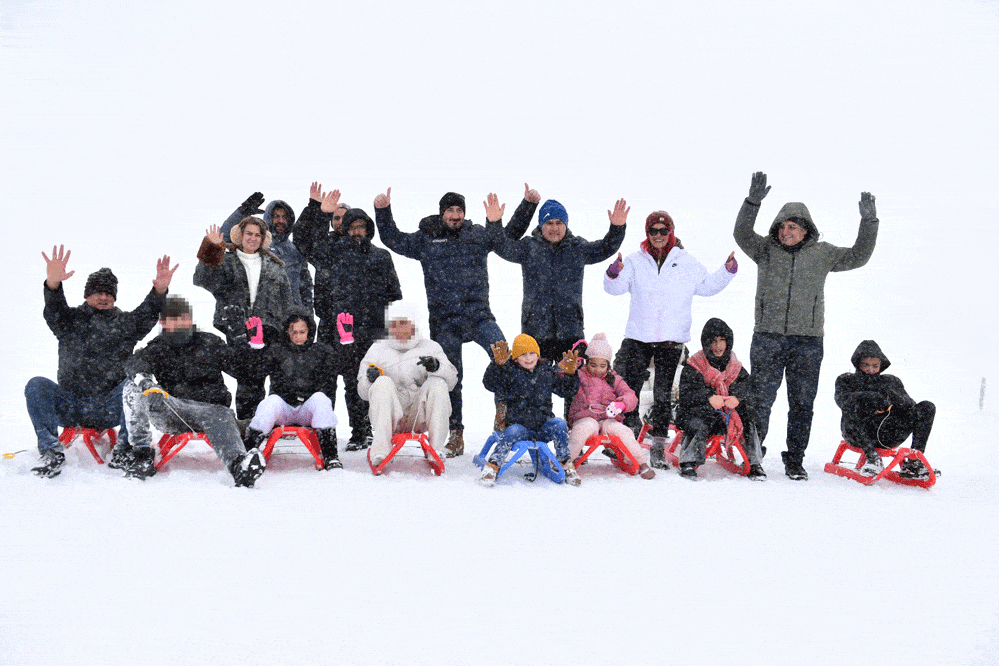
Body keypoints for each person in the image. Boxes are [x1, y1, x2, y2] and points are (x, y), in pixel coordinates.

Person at [373, 185, 538, 457]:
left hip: (479, 315)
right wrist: (383, 211)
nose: (455, 214)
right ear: (442, 214)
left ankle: (504, 411)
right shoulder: (427, 239)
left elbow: (505, 238)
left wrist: (526, 206)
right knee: (449, 376)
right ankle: (456, 433)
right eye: (450, 210)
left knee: (503, 354)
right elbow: (393, 238)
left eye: (459, 209)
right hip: (445, 319)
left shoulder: (476, 235)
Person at [734, 171, 879, 480]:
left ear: (805, 230)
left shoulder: (822, 254)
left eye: (793, 226)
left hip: (808, 341)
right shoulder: (765, 251)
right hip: (768, 337)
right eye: (783, 226)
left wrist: (868, 223)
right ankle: (754, 456)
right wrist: (753, 202)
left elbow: (859, 256)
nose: (787, 231)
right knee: (761, 400)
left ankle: (795, 459)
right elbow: (742, 234)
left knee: (802, 404)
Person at [26, 246, 176, 478]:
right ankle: (51, 452)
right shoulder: (69, 321)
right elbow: (54, 309)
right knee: (36, 384)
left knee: (134, 385)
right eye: (98, 292)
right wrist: (53, 284)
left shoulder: (126, 323)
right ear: (87, 295)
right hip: (71, 404)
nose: (104, 297)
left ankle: (124, 450)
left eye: (109, 293)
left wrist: (159, 290)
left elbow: (147, 313)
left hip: (110, 407)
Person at [604, 210, 737, 466]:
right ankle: (626, 437)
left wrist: (727, 271)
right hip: (639, 338)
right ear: (647, 234)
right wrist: (613, 273)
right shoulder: (635, 261)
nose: (658, 236)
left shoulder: (686, 262)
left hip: (671, 341)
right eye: (652, 231)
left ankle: (657, 444)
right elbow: (614, 289)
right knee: (628, 389)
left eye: (663, 231)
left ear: (671, 233)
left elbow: (707, 286)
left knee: (663, 394)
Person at [294, 183, 402, 451]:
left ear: (368, 229)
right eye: (351, 227)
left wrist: (391, 327)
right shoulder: (334, 252)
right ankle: (324, 433)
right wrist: (319, 211)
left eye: (360, 227)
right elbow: (305, 243)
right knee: (326, 380)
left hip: (370, 331)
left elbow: (394, 295)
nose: (356, 231)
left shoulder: (381, 256)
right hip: (334, 327)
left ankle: (361, 432)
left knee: (360, 384)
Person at [120, 296, 266, 486]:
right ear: (163, 322)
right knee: (132, 386)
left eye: (183, 317)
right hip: (173, 411)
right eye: (173, 318)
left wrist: (242, 339)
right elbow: (133, 364)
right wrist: (147, 383)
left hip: (212, 409)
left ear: (190, 319)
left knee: (220, 414)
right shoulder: (157, 348)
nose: (179, 322)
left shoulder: (210, 343)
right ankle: (141, 454)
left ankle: (239, 467)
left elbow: (244, 371)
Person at [493, 198, 627, 362]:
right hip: (535, 334)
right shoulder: (529, 247)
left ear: (566, 225)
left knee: (571, 385)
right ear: (541, 225)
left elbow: (606, 247)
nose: (554, 228)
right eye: (549, 223)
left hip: (571, 333)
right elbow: (502, 246)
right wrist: (494, 223)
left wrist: (617, 228)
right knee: (535, 385)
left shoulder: (577, 248)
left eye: (559, 223)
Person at [194, 218, 294, 419]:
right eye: (249, 233)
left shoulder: (276, 266)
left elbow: (286, 302)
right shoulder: (226, 260)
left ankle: (266, 425)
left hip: (269, 329)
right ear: (241, 235)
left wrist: (288, 328)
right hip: (236, 327)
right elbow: (202, 279)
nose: (253, 238)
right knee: (248, 378)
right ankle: (248, 427)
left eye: (258, 235)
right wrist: (211, 249)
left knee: (271, 379)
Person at [356, 303, 458, 466]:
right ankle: (381, 450)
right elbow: (362, 392)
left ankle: (436, 450)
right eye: (394, 324)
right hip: (390, 415)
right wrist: (370, 379)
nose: (399, 329)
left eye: (403, 323)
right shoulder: (377, 349)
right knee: (382, 382)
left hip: (420, 414)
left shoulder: (430, 347)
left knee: (438, 383)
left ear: (413, 324)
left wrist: (437, 367)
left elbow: (452, 381)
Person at [241, 311, 340, 469]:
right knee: (270, 403)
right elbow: (255, 373)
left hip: (308, 409)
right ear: (287, 332)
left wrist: (346, 344)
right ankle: (247, 451)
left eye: (302, 332)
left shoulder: (321, 351)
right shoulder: (277, 350)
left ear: (310, 332)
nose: (298, 336)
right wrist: (256, 347)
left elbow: (343, 367)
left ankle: (331, 455)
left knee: (321, 399)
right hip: (284, 408)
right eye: (294, 332)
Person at [479, 334, 580, 487]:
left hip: (542, 426)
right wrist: (497, 366)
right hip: (519, 427)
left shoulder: (546, 372)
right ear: (515, 357)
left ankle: (565, 464)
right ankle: (493, 465)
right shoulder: (509, 372)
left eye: (532, 353)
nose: (528, 358)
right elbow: (490, 384)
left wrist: (571, 375)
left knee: (559, 423)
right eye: (523, 354)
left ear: (538, 354)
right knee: (511, 432)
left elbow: (566, 391)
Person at [674, 318, 766, 481]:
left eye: (722, 340)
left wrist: (737, 397)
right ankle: (688, 461)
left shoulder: (735, 366)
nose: (718, 346)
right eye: (714, 341)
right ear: (706, 343)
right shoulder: (694, 365)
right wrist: (708, 397)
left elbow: (750, 387)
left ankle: (755, 463)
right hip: (701, 413)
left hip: (727, 416)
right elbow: (687, 393)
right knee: (697, 420)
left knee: (750, 418)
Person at [834, 340, 936, 479]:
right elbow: (842, 401)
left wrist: (895, 399)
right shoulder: (846, 380)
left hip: (887, 433)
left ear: (881, 365)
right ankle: (872, 458)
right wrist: (869, 397)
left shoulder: (890, 381)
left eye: (875, 366)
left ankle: (914, 461)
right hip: (858, 434)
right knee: (855, 404)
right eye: (866, 365)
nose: (871, 370)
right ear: (858, 364)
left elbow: (910, 405)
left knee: (926, 407)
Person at [566, 333, 656, 480]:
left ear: (608, 365)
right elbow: (563, 382)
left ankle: (641, 463)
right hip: (585, 417)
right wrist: (568, 369)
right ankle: (565, 461)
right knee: (583, 429)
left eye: (602, 366)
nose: (597, 369)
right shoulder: (580, 375)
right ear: (586, 363)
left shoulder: (614, 379)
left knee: (622, 431)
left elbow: (630, 395)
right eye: (593, 365)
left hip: (607, 419)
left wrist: (621, 404)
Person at [220, 192, 313, 316]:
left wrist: (308, 320)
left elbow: (305, 289)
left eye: (284, 217)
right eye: (276, 216)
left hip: (290, 320)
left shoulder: (295, 251)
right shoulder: (254, 243)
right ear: (268, 217)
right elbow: (223, 237)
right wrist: (242, 212)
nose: (281, 220)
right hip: (260, 318)